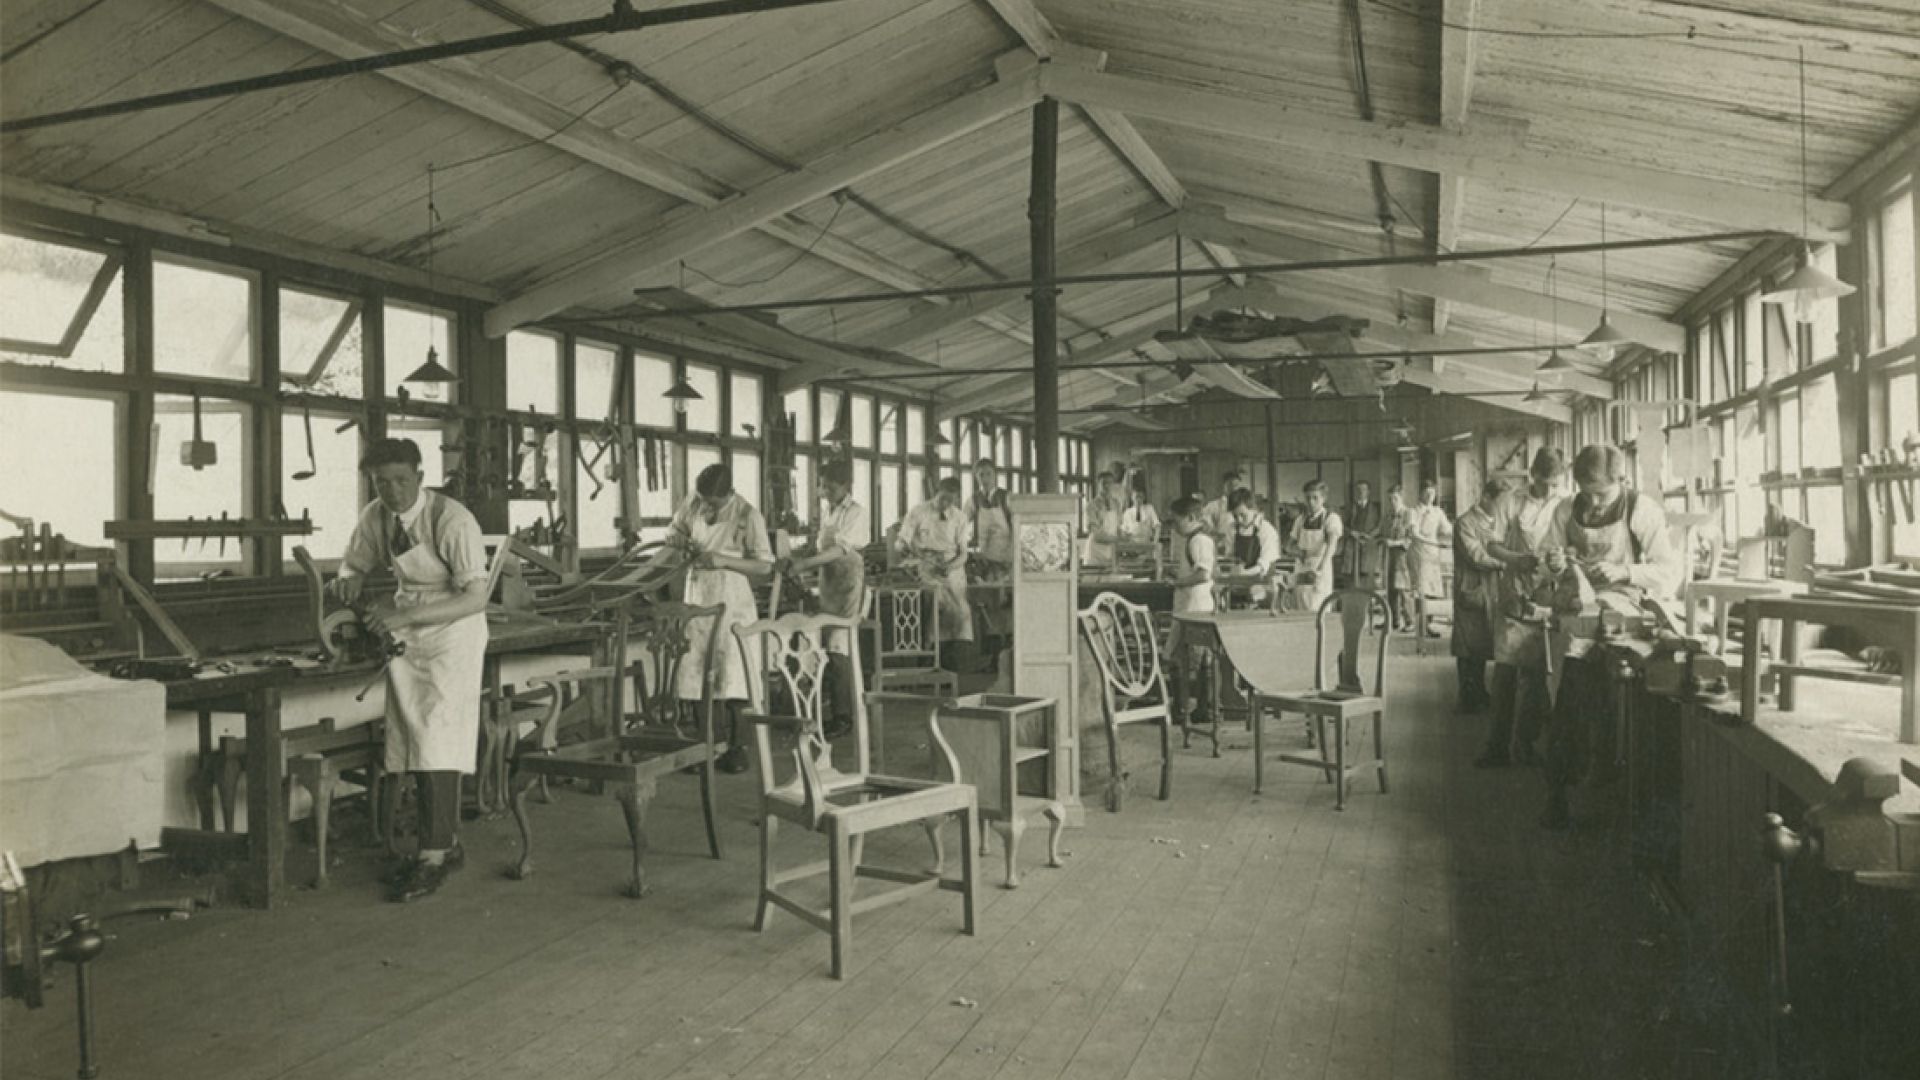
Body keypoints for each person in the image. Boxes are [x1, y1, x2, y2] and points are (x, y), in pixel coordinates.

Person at [330, 438, 492, 903]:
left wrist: (405, 617)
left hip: (453, 632)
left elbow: (476, 597)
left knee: (437, 738)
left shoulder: (452, 520)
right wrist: (348, 580)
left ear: (420, 477)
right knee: (415, 739)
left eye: (401, 480)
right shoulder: (376, 516)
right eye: (382, 483)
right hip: (407, 633)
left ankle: (434, 856)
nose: (393, 491)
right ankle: (442, 844)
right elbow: (353, 562)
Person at [1538, 443, 1683, 829]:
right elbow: (1546, 561)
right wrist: (1554, 563)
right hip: (1577, 610)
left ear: (1621, 479)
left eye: (1600, 493)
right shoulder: (1566, 509)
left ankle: (1607, 777)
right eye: (1585, 492)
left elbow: (1670, 572)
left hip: (1622, 606)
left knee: (1613, 703)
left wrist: (1625, 572)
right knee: (1568, 700)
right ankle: (1560, 791)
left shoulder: (1641, 509)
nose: (1593, 501)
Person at [652, 464, 774, 774]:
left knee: (734, 674)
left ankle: (738, 748)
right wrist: (676, 539)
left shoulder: (748, 515)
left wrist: (722, 559)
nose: (707, 507)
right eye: (704, 500)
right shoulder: (694, 502)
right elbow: (673, 530)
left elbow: (764, 566)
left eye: (713, 502)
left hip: (732, 600)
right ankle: (706, 746)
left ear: (729, 493)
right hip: (697, 596)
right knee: (696, 672)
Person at [1480, 448, 1566, 768]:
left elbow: (1572, 549)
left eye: (1555, 484)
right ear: (1533, 475)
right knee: (1505, 675)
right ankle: (1496, 747)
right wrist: (1517, 560)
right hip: (1515, 593)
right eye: (1544, 483)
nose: (1549, 490)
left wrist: (1560, 560)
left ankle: (1524, 745)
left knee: (1536, 678)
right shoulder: (1511, 502)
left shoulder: (1565, 505)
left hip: (1548, 595)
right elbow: (1492, 545)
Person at [786, 459, 866, 735]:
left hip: (848, 582)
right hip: (829, 581)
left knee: (838, 645)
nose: (824, 492)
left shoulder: (856, 513)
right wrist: (801, 557)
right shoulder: (827, 511)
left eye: (830, 487)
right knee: (821, 645)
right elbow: (822, 547)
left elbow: (841, 550)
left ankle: (844, 717)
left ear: (845, 485)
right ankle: (821, 709)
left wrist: (805, 565)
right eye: (822, 486)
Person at [896, 475, 975, 662]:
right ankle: (929, 655)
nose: (945, 503)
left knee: (960, 612)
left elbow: (963, 553)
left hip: (953, 569)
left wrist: (950, 566)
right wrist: (903, 547)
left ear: (956, 499)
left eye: (950, 500)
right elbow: (900, 541)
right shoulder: (918, 512)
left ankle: (955, 659)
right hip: (926, 567)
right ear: (936, 492)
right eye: (943, 498)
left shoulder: (960, 518)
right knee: (933, 606)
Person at [1452, 478, 1511, 713]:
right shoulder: (1465, 523)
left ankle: (1479, 692)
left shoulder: (1499, 522)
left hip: (1492, 590)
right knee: (1468, 646)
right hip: (1472, 589)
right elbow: (1476, 556)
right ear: (1486, 497)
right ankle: (1467, 697)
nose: (1504, 508)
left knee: (1483, 644)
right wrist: (1508, 562)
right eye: (1501, 503)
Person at [969, 458, 1013, 661]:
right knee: (988, 605)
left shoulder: (1006, 497)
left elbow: (1017, 524)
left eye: (988, 474)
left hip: (1007, 558)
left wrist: (1012, 555)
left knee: (1005, 604)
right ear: (976, 477)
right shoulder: (974, 500)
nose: (985, 478)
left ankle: (1008, 650)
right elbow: (961, 522)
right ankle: (993, 655)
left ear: (995, 475)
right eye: (981, 475)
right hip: (986, 560)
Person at [1403, 479, 1454, 636]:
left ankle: (1428, 625)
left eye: (1432, 493)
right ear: (1420, 493)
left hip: (1432, 556)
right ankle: (1420, 626)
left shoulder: (1437, 512)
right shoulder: (1413, 512)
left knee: (1432, 590)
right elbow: (1414, 534)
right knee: (1420, 591)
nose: (1430, 496)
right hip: (1418, 553)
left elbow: (1448, 530)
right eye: (1427, 492)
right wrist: (1433, 543)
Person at [1289, 478, 1345, 612]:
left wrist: (1320, 567)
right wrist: (1299, 553)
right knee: (1301, 603)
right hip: (1302, 566)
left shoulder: (1331, 518)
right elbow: (1289, 544)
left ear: (1323, 498)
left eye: (1315, 498)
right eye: (1308, 498)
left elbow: (1332, 545)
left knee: (1318, 605)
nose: (1311, 502)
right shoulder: (1301, 520)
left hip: (1320, 566)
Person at [1222, 488, 1281, 606]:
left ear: (1254, 509)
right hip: (1238, 584)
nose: (1239, 520)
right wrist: (1231, 568)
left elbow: (1264, 565)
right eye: (1235, 516)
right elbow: (1229, 556)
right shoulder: (1232, 529)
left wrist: (1243, 573)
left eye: (1242, 515)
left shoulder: (1266, 530)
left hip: (1263, 584)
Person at [1383, 483, 1415, 632]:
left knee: (1403, 589)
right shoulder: (1388, 516)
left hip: (1403, 556)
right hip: (1390, 556)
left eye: (1395, 498)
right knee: (1391, 589)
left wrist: (1394, 543)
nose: (1392, 502)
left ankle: (1410, 621)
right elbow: (1382, 531)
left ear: (1401, 498)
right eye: (1390, 499)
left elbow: (1410, 538)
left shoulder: (1409, 514)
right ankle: (1393, 620)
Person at [1344, 480, 1383, 590]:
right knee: (1352, 574)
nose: (1361, 492)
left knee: (1367, 573)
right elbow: (1343, 525)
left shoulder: (1375, 508)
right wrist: (1352, 533)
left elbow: (1380, 526)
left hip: (1369, 543)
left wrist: (1369, 535)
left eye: (1364, 489)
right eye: (1359, 490)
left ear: (1368, 491)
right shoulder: (1350, 507)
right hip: (1353, 544)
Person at [1084, 471, 1125, 568]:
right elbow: (1097, 535)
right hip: (1095, 551)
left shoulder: (1116, 504)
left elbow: (1118, 527)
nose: (1107, 486)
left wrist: (1125, 536)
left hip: (1111, 551)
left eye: (1110, 483)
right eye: (1104, 483)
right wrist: (1118, 539)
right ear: (1098, 484)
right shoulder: (1092, 505)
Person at [1202, 469, 1246, 555]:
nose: (1233, 489)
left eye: (1236, 485)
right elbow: (1204, 526)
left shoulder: (1245, 506)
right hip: (1222, 549)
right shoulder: (1213, 506)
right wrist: (1216, 536)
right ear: (1224, 486)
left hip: (1242, 548)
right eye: (1230, 485)